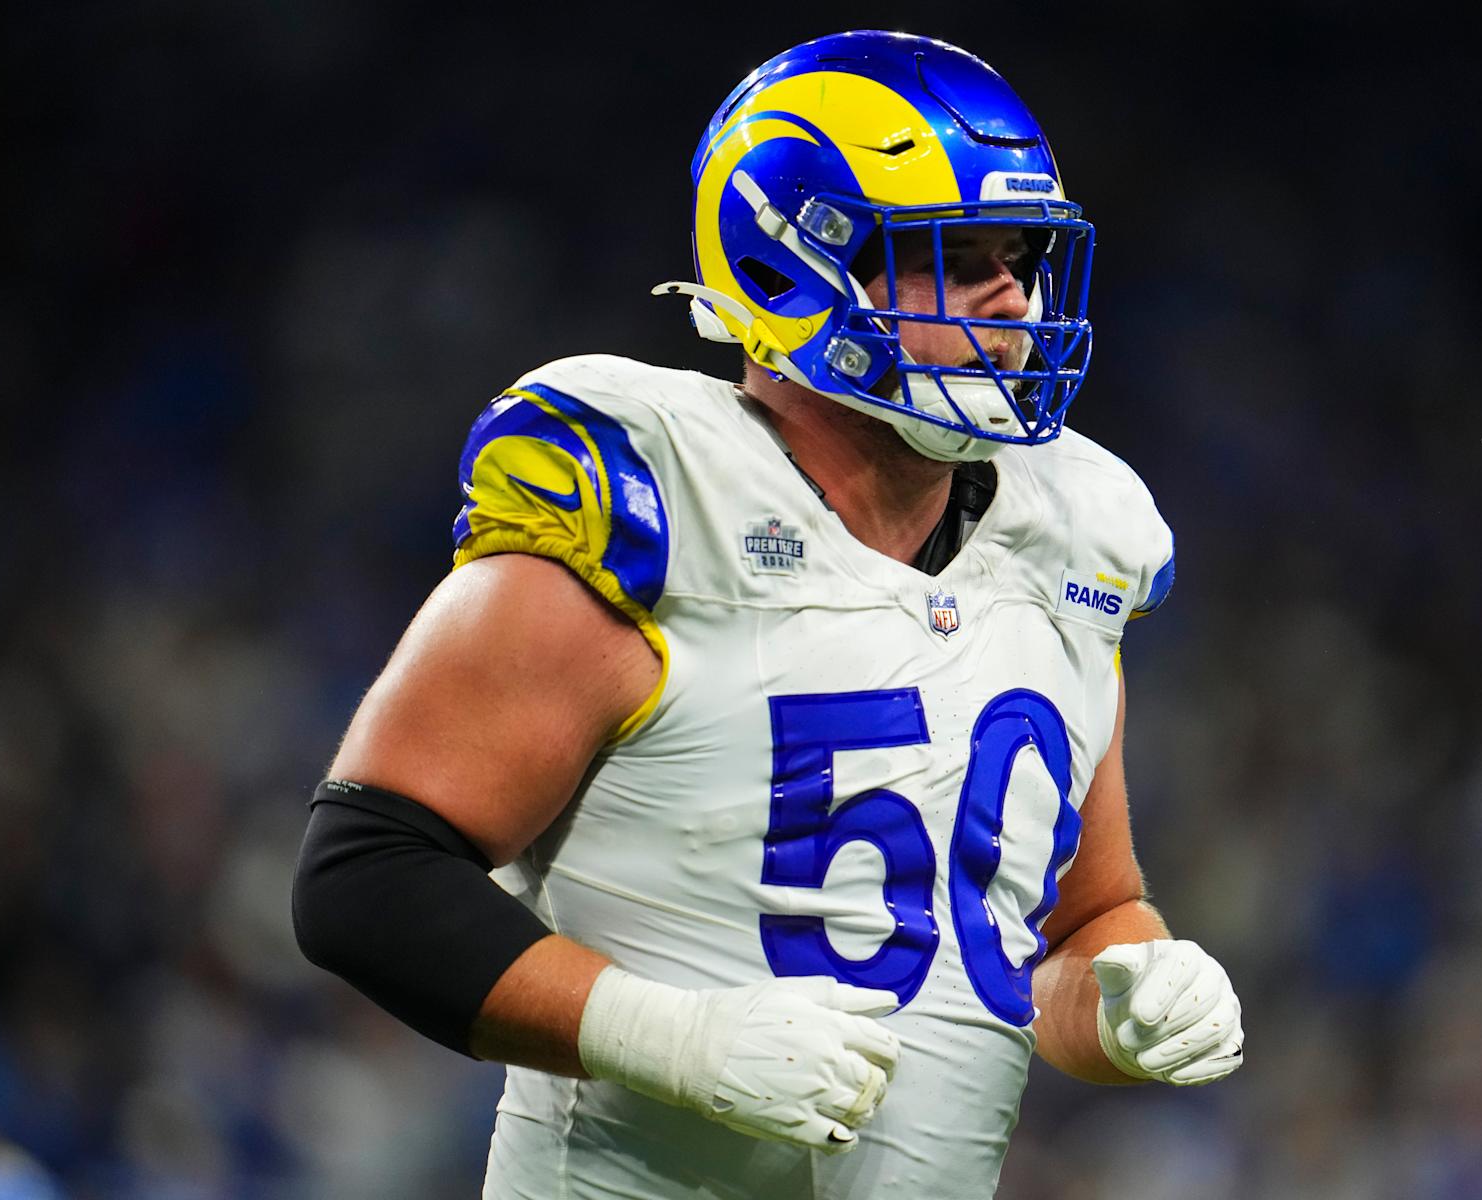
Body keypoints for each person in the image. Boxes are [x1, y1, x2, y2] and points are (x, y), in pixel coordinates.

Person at [292, 29, 1243, 1199]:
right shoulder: (654, 505)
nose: (1016, 304)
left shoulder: (1069, 544)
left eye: (1024, 259)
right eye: (959, 261)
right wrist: (669, 1039)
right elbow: (365, 875)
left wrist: (1127, 993)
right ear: (799, 269)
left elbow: (1069, 931)